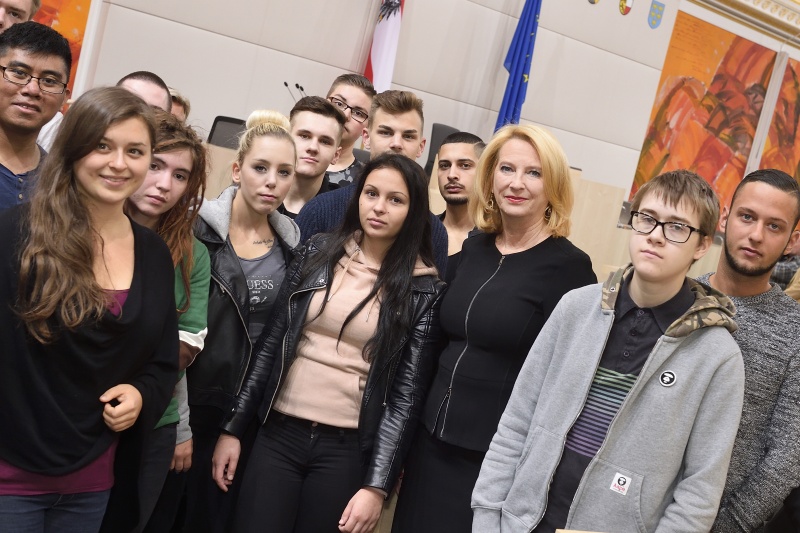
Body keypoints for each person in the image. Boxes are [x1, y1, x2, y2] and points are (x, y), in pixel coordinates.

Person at [472, 169, 745, 533]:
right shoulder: (576, 308)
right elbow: (516, 422)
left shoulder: (716, 356)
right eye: (647, 219)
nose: (656, 237)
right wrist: (488, 516)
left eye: (677, 227)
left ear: (701, 245)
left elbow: (699, 492)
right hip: (520, 523)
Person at [211, 152, 445, 533]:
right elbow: (270, 345)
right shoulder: (316, 251)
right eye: (371, 194)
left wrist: (376, 485)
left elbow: (406, 397)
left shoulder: (424, 290)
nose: (379, 208)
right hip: (278, 435)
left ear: (414, 211)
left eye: (395, 199)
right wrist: (233, 429)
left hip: (346, 449)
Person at [392, 124, 597, 532]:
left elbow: (570, 383)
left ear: (553, 185)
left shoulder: (570, 268)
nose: (516, 183)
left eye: (533, 173)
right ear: (489, 179)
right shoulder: (475, 247)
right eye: (506, 169)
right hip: (428, 443)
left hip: (494, 459)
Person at [0, 86, 178, 532]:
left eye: (135, 151)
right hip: (9, 475)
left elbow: (161, 360)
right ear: (74, 149)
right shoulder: (15, 234)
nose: (119, 163)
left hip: (93, 481)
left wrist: (140, 394)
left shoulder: (154, 254)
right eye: (102, 146)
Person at [184, 109, 300, 533]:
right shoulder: (197, 229)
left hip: (246, 412)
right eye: (261, 168)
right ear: (237, 170)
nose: (272, 181)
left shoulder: (294, 247)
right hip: (191, 398)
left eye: (284, 172)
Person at [104, 110, 210, 532]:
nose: (165, 185)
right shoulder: (85, 229)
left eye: (181, 175)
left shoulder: (193, 253)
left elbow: (186, 345)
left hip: (154, 416)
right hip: (78, 409)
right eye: (155, 166)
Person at [695, 169, 800, 532]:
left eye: (774, 226)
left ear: (792, 240)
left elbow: (786, 457)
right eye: (747, 217)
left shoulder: (795, 331)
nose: (756, 235)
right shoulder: (674, 295)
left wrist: (726, 527)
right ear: (725, 217)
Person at [295, 89, 448, 274]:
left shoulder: (434, 233)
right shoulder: (319, 210)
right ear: (366, 138)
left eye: (408, 136)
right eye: (386, 132)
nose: (396, 143)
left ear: (421, 147)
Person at [0, 21, 71, 210]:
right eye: (19, 73)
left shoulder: (62, 183)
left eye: (49, 81)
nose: (32, 90)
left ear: (64, 97)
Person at [278, 96, 344, 218]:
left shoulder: (342, 212)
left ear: (336, 155)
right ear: (285, 140)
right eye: (304, 136)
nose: (313, 147)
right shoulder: (256, 194)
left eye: (325, 141)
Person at [436, 131, 484, 282]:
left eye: (464, 165)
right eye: (444, 165)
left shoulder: (497, 241)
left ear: (484, 171)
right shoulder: (420, 231)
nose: (451, 174)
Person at [326, 73, 376, 187]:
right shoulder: (291, 159)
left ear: (367, 127)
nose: (345, 115)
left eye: (358, 113)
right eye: (339, 103)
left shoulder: (365, 181)